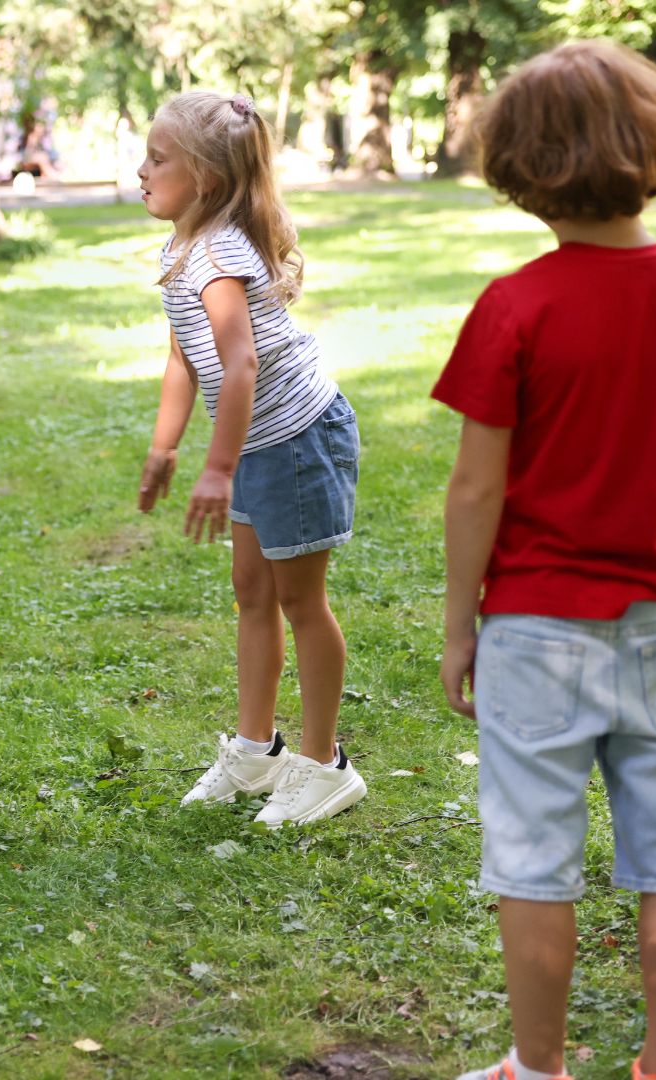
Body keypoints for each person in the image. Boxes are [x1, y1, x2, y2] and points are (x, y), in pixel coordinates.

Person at [433, 42, 656, 1080]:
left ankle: (538, 1068)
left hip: (533, 630)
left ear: (519, 165)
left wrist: (459, 624)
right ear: (655, 147)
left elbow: (476, 490)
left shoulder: (515, 307)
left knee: (534, 861)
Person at [136, 90, 368, 828]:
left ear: (203, 178)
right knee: (251, 591)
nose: (142, 170)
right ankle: (256, 750)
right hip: (257, 442)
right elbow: (184, 357)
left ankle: (325, 765)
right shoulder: (183, 247)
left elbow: (240, 366)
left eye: (157, 158)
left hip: (296, 437)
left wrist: (217, 468)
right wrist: (165, 447)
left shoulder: (217, 254)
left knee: (300, 601)